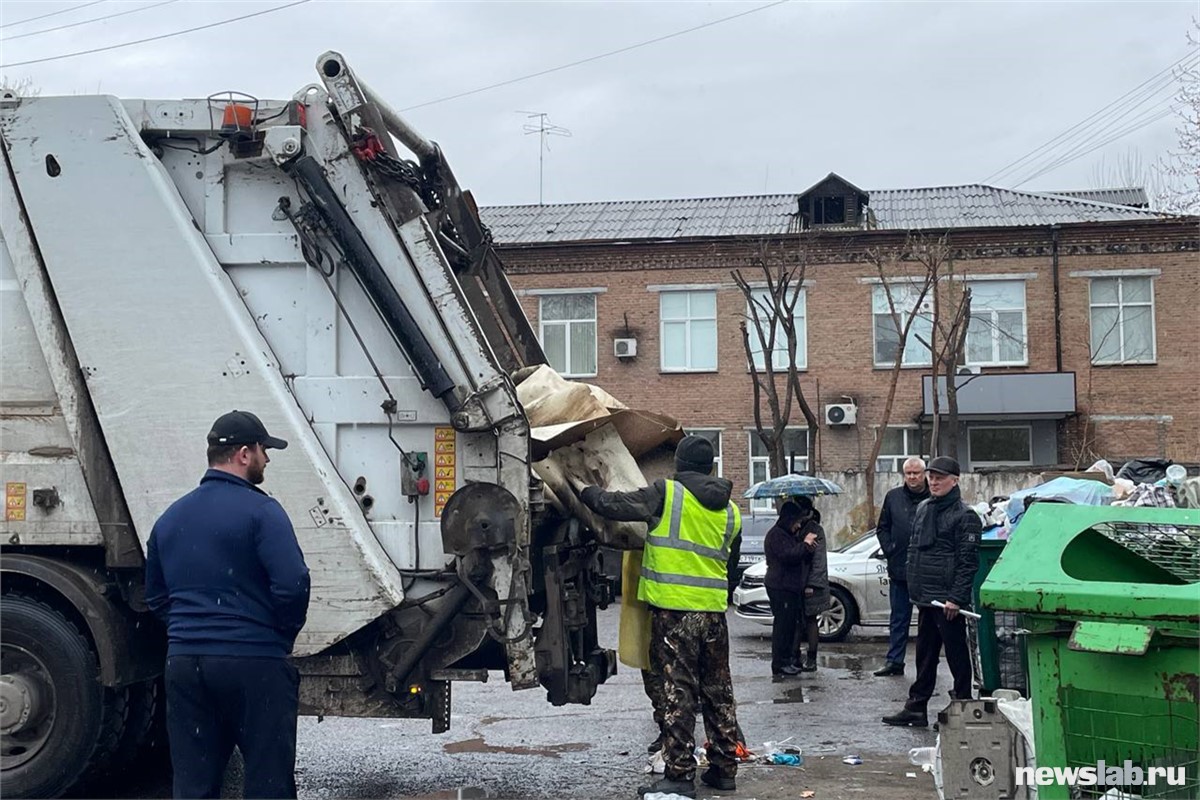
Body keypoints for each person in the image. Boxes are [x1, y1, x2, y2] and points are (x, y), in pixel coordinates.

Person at [145, 410, 311, 799]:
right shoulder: (262, 512)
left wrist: (192, 633)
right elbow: (293, 584)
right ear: (243, 454)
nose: (267, 458)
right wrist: (277, 636)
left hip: (185, 666)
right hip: (253, 663)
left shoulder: (169, 518)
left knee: (193, 784)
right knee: (269, 783)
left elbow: (155, 597)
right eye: (263, 450)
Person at [579, 435, 742, 798]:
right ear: (711, 467)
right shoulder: (731, 510)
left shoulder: (667, 493)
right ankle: (724, 769)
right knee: (719, 692)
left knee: (678, 692)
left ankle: (680, 774)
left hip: (674, 613)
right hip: (714, 614)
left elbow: (614, 505)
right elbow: (731, 568)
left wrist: (583, 490)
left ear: (679, 466)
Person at [882, 456, 979, 728]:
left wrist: (956, 598)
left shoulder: (965, 516)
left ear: (955, 480)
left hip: (947, 601)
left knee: (957, 656)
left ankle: (963, 705)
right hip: (926, 598)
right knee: (924, 655)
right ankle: (916, 707)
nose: (934, 482)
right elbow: (916, 550)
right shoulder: (925, 507)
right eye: (932, 477)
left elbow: (968, 562)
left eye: (940, 478)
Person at [872, 457, 930, 677]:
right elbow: (882, 528)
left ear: (924, 473)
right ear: (904, 475)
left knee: (931, 621)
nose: (913, 477)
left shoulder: (934, 497)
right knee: (898, 618)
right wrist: (890, 549)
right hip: (899, 569)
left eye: (916, 473)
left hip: (927, 571)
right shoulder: (893, 497)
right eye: (908, 473)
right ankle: (894, 661)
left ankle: (927, 664)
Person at [763, 500, 811, 677]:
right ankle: (780, 663)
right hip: (780, 586)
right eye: (797, 522)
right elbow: (788, 555)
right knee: (783, 626)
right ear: (789, 519)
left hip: (789, 586)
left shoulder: (786, 534)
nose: (799, 526)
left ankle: (788, 659)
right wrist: (805, 544)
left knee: (790, 625)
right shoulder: (777, 535)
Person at [795, 498, 829, 672]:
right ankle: (797, 656)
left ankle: (812, 657)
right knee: (798, 620)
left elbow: (818, 561)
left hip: (811, 584)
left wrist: (811, 585)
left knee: (810, 620)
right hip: (797, 581)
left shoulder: (815, 530)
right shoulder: (797, 527)